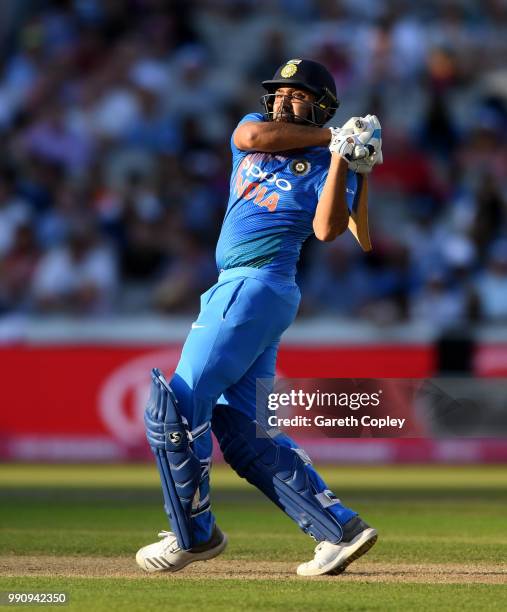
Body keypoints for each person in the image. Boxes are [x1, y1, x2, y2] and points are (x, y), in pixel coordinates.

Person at [136, 59, 382, 577]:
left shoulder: (324, 165)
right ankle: (338, 529)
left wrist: (340, 160)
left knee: (176, 408)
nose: (284, 101)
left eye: (299, 94)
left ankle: (193, 534)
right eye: (281, 93)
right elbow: (250, 134)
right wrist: (333, 136)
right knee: (245, 429)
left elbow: (327, 230)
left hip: (258, 282)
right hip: (239, 288)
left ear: (321, 103)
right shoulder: (257, 130)